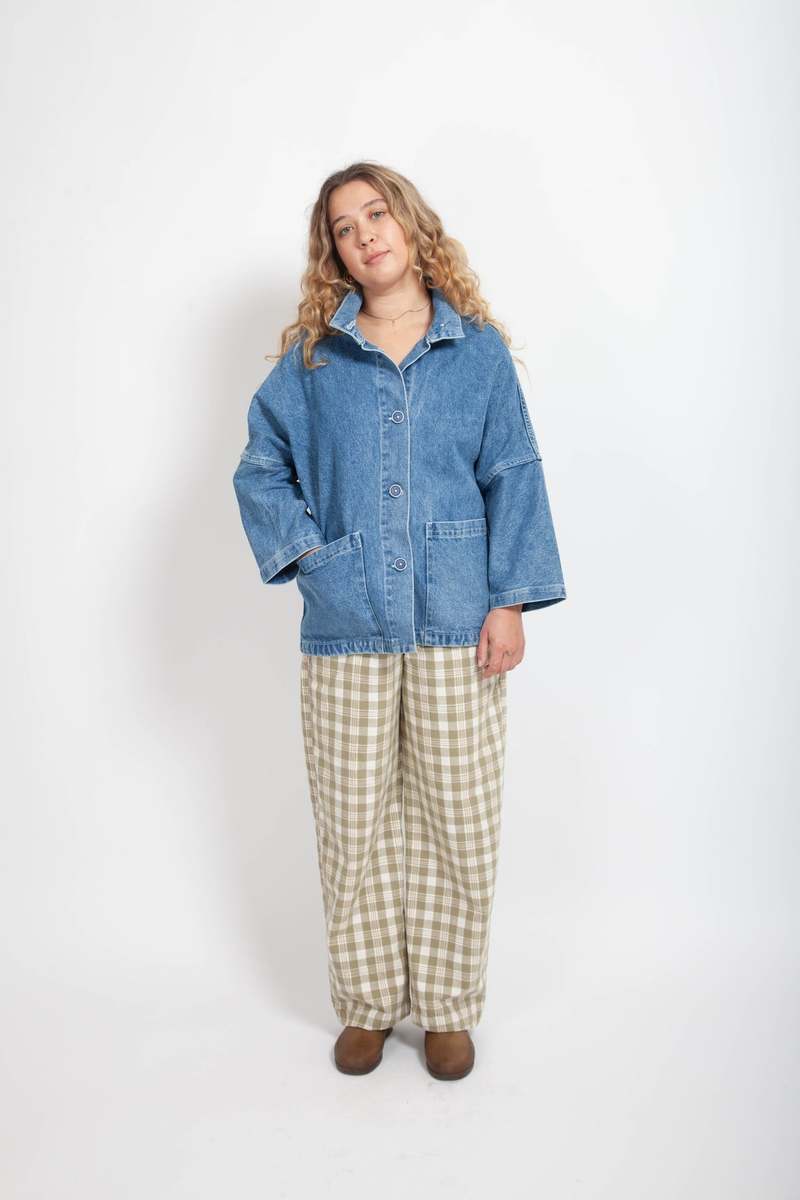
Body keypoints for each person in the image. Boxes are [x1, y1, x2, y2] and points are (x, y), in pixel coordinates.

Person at [232, 161, 566, 1080]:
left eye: (376, 213)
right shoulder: (314, 360)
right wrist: (312, 559)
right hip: (348, 623)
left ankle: (449, 1006)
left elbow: (514, 474)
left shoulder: (477, 352)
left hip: (461, 619)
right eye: (344, 227)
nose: (365, 234)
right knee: (354, 820)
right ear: (333, 253)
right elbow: (261, 467)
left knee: (459, 816)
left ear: (411, 224)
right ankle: (370, 1003)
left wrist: (510, 601)